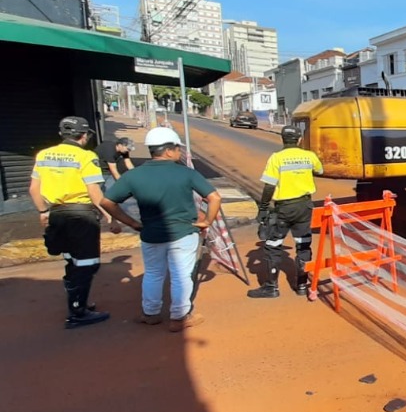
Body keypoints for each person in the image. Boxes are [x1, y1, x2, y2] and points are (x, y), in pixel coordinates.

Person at [101, 127, 222, 332]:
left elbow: (107, 202)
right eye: (177, 148)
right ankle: (179, 317)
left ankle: (150, 314)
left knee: (153, 273)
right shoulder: (186, 173)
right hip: (183, 233)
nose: (179, 152)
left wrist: (132, 223)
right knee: (181, 275)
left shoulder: (134, 175)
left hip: (151, 234)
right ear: (167, 151)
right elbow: (214, 197)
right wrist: (207, 221)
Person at [29, 116, 120, 329]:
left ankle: (78, 303)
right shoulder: (86, 156)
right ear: (84, 136)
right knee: (88, 265)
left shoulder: (43, 155)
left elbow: (33, 189)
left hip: (57, 214)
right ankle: (78, 312)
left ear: (62, 134)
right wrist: (111, 217)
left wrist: (43, 211)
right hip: (81, 216)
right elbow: (95, 193)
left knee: (72, 261)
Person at [248, 125, 323, 299]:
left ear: (282, 139)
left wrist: (263, 208)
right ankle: (302, 286)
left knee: (273, 245)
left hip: (283, 209)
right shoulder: (309, 156)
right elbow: (319, 170)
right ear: (299, 140)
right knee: (303, 244)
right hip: (304, 207)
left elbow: (269, 185)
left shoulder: (276, 158)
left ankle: (271, 287)